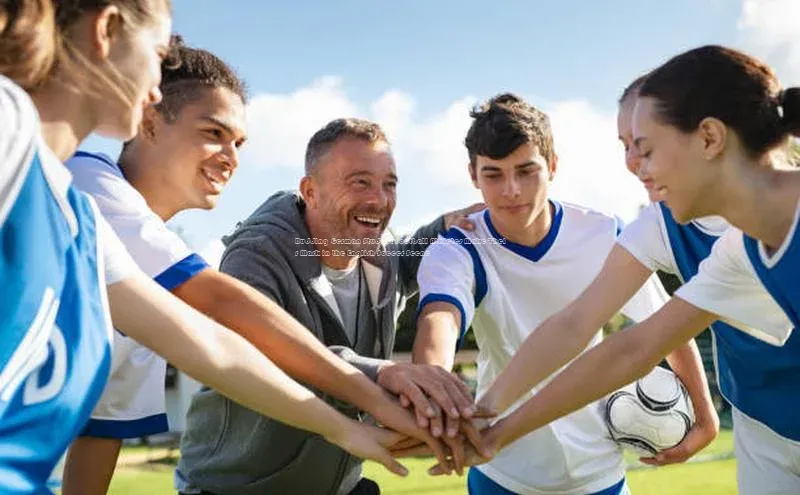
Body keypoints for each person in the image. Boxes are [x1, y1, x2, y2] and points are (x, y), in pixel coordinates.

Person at [0, 2, 423, 493]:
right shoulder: (54, 160)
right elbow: (221, 307)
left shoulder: (86, 227)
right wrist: (372, 394)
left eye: (239, 142)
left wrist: (346, 427)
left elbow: (208, 350)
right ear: (106, 30)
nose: (155, 90)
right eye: (214, 134)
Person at [452, 45, 800, 495]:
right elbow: (628, 346)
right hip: (768, 427)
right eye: (628, 147)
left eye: (646, 148)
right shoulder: (737, 253)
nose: (637, 167)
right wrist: (493, 426)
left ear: (710, 138)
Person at [410, 93, 714, 495]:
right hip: (502, 471)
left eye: (526, 170)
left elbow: (665, 328)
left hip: (599, 470)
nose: (511, 189)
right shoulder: (457, 247)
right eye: (493, 175)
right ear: (473, 175)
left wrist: (705, 413)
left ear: (552, 166)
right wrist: (433, 388)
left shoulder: (604, 233)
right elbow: (440, 321)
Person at [176, 117, 485, 495]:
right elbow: (271, 351)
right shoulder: (256, 253)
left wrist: (447, 225)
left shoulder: (380, 255)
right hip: (237, 488)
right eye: (360, 182)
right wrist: (383, 372)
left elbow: (409, 255)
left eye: (389, 184)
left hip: (338, 486)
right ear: (310, 190)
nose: (379, 199)